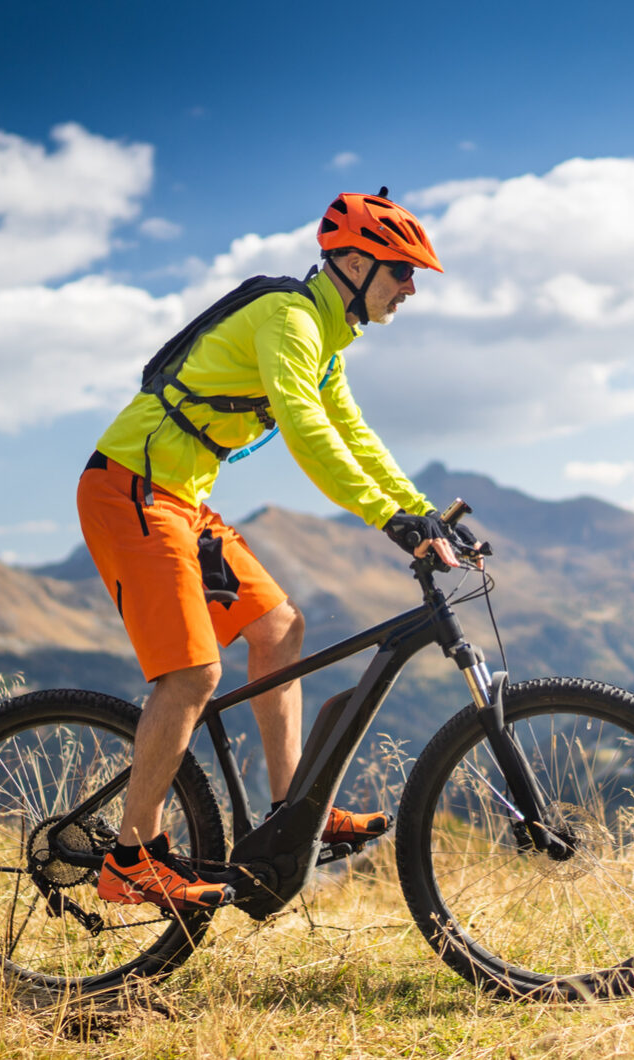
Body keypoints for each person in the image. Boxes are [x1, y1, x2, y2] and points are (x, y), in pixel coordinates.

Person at [77, 190, 460, 911]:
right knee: (192, 673)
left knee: (281, 629)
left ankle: (293, 813)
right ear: (352, 261)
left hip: (179, 498)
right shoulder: (288, 321)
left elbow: (355, 435)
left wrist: (421, 511)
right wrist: (388, 518)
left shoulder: (324, 338)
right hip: (130, 489)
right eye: (401, 271)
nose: (411, 289)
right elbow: (309, 432)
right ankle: (129, 857)